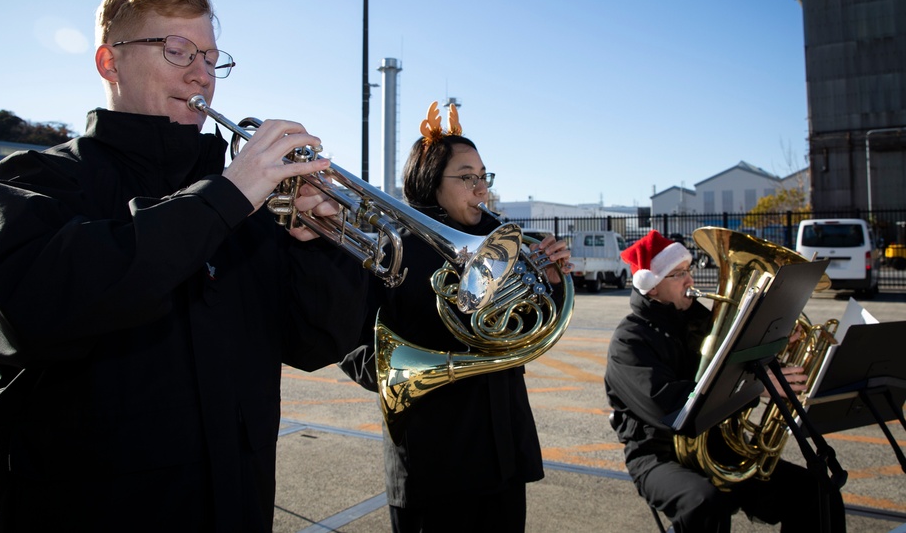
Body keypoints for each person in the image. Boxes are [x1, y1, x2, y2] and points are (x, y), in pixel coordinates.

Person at [0, 0, 369, 533]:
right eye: (177, 51)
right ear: (109, 61)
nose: (202, 75)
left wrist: (319, 247)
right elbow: (37, 308)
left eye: (209, 57)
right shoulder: (27, 182)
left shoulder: (244, 205)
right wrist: (225, 196)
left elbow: (316, 345)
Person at [339, 101, 573, 533]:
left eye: (484, 177)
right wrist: (414, 368)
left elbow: (534, 328)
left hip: (504, 455)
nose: (481, 189)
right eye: (468, 178)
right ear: (431, 183)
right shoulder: (391, 247)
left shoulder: (505, 245)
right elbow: (352, 347)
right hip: (435, 462)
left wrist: (553, 281)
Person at [604, 230, 846, 532]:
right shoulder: (629, 340)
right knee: (704, 502)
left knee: (817, 491)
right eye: (677, 274)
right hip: (658, 455)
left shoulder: (703, 322)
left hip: (718, 448)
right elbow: (669, 407)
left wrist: (774, 345)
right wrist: (756, 385)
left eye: (688, 270)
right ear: (651, 287)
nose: (689, 280)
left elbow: (744, 368)